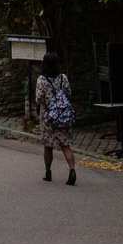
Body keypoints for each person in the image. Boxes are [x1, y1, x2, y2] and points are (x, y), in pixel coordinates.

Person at [35, 51, 77, 185]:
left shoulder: (41, 80)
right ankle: (72, 170)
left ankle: (48, 172)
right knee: (65, 144)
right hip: (63, 116)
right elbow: (69, 93)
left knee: (48, 146)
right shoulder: (63, 78)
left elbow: (38, 98)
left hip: (48, 117)